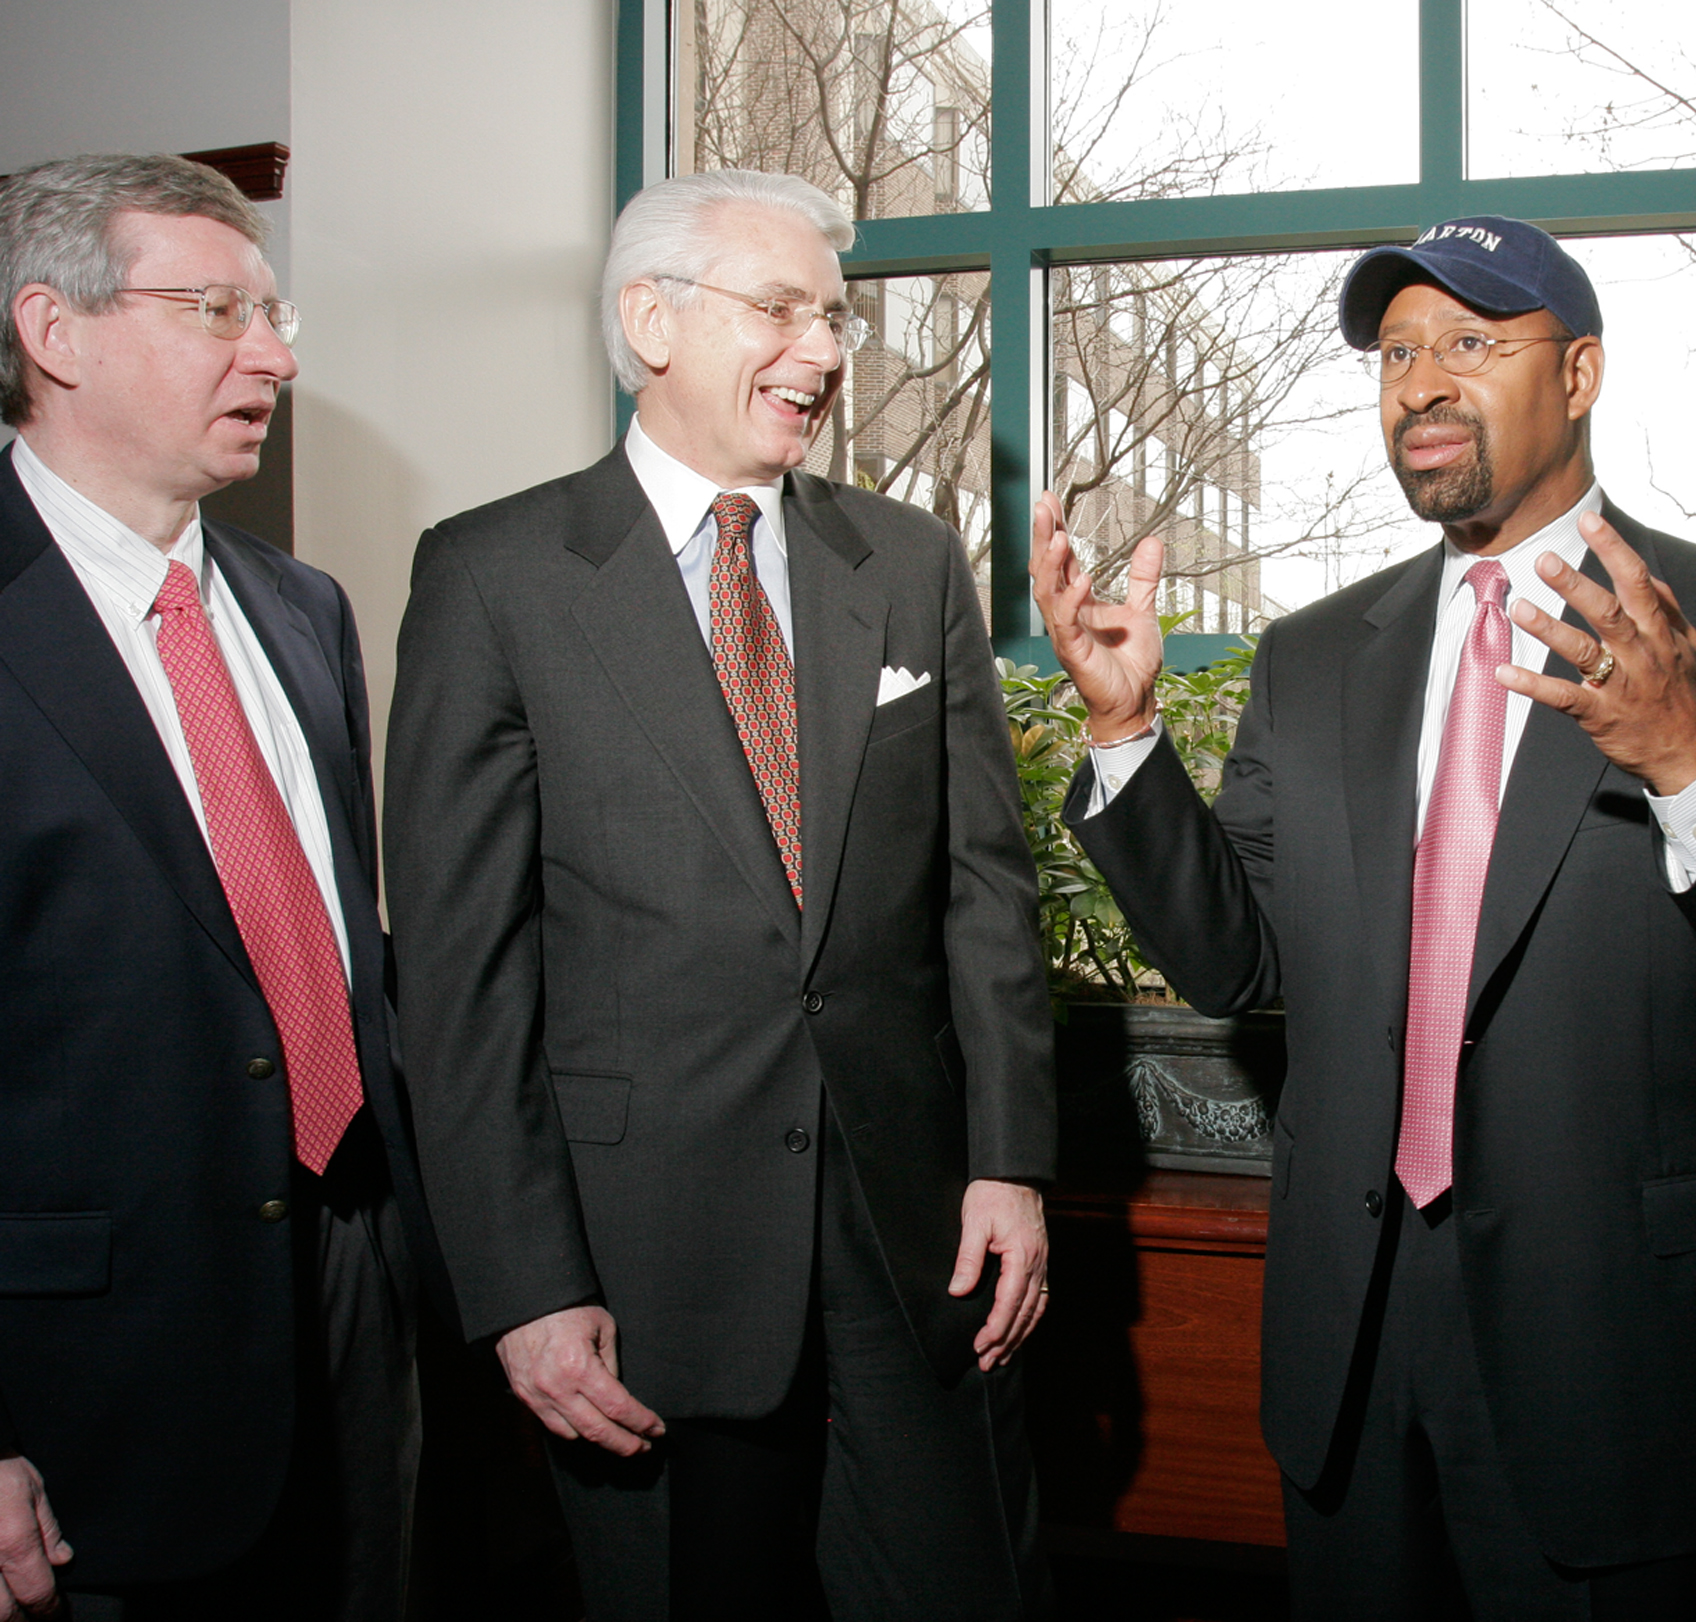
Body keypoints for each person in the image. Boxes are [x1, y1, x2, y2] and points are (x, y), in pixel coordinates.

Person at [1034, 214, 1696, 1617]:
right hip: (1354, 1344)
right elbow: (1227, 954)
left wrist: (1688, 755)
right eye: (1395, 354)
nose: (1419, 382)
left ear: (1579, 374)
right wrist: (1124, 731)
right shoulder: (1313, 656)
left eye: (1471, 344)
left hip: (1624, 1354)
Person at [384, 168, 1055, 1621]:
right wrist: (522, 1284)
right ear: (651, 320)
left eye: (833, 317)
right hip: (645, 1253)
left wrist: (1009, 1159)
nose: (820, 352)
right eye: (778, 309)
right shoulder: (494, 575)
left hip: (909, 1227)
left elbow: (981, 891)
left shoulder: (912, 563)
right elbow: (461, 978)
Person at [0, 154, 439, 1621]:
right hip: (93, 1394)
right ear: (53, 332)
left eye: (274, 310)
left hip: (352, 1300)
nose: (276, 353)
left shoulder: (302, 611)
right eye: (217, 309)